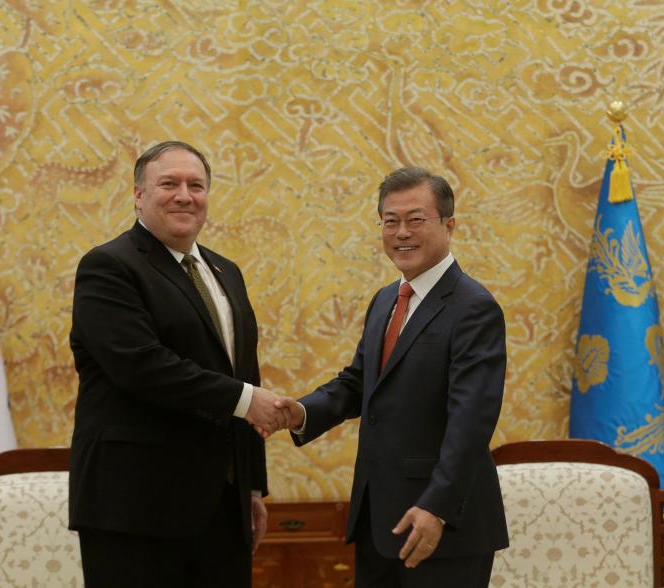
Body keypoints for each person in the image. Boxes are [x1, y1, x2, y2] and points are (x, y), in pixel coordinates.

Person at [275, 167, 509, 587]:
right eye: (390, 221)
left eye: (416, 220)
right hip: (378, 521)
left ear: (449, 225)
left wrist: (435, 507)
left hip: (441, 525)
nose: (402, 233)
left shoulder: (474, 307)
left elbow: (470, 421)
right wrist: (300, 413)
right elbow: (357, 383)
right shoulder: (386, 300)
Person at [68, 140, 286, 587]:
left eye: (196, 185)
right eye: (169, 183)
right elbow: (141, 366)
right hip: (136, 510)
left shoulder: (227, 271)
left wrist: (251, 485)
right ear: (138, 195)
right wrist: (246, 400)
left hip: (223, 509)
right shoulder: (109, 266)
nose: (184, 195)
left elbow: (245, 373)